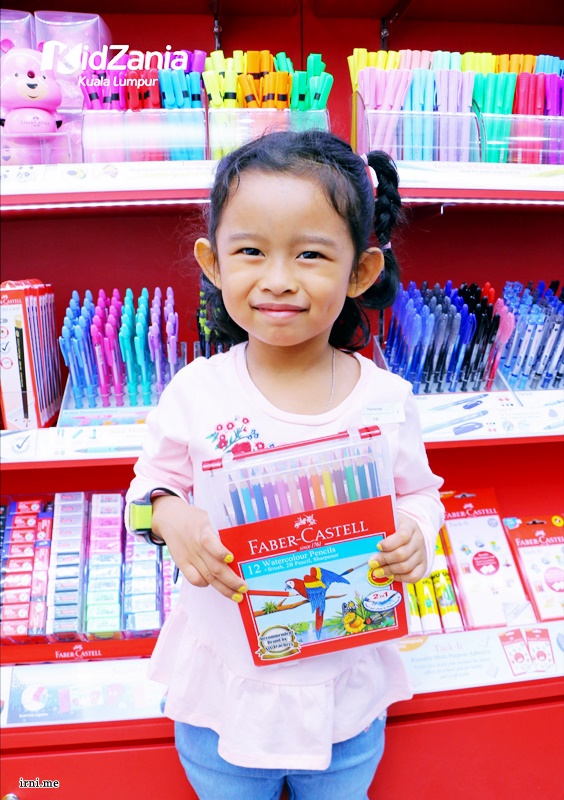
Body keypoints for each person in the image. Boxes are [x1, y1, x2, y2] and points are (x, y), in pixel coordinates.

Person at [125, 129, 444, 800]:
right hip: (225, 698)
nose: (277, 279)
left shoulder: (386, 401)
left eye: (310, 254)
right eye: (250, 251)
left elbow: (420, 493)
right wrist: (171, 516)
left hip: (344, 700)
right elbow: (145, 494)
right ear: (213, 263)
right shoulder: (197, 393)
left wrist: (416, 530)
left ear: (361, 271)